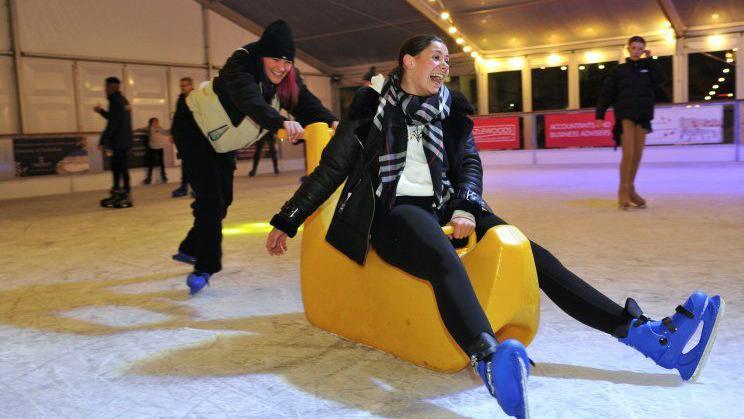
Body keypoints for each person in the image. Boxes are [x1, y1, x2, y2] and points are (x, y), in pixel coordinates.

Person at [266, 35, 724, 419]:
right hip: (390, 213)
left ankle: (650, 338)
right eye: (436, 57)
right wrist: (288, 220)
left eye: (449, 60)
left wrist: (467, 207)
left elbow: (468, 166)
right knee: (442, 258)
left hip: (447, 205)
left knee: (530, 252)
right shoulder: (369, 109)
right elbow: (331, 168)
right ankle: (488, 358)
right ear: (408, 61)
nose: (445, 65)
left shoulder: (451, 112)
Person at [172, 20, 337, 295]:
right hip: (192, 128)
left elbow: (306, 104)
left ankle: (190, 246)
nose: (281, 67)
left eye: (287, 61)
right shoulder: (239, 65)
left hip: (221, 138)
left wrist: (333, 122)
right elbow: (249, 100)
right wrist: (280, 122)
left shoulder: (288, 77)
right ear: (262, 55)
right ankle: (205, 266)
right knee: (211, 201)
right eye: (275, 59)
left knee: (223, 199)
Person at [596, 36, 665, 209]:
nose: (636, 51)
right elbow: (607, 92)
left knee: (637, 155)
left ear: (644, 51)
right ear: (628, 49)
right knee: (628, 154)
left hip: (643, 116)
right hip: (625, 115)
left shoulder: (648, 69)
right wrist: (600, 113)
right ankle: (623, 190)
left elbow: (661, 81)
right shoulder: (619, 70)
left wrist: (651, 62)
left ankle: (632, 189)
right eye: (633, 48)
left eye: (640, 49)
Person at [95, 76, 134, 208]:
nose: (105, 89)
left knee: (120, 167)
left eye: (106, 86)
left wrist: (103, 139)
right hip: (123, 139)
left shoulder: (116, 101)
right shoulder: (121, 100)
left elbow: (113, 123)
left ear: (113, 87)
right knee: (118, 167)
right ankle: (118, 192)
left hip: (120, 140)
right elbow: (113, 117)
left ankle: (125, 195)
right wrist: (101, 111)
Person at [171, 77, 195, 198]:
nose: (183, 88)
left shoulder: (196, 99)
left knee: (196, 163)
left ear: (191, 86)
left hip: (195, 137)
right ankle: (184, 186)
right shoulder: (180, 99)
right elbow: (177, 117)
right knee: (185, 163)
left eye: (185, 85)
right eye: (181, 86)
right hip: (183, 137)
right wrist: (172, 132)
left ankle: (197, 187)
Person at [143, 117, 168, 184]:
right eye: (154, 122)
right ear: (151, 123)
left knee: (161, 163)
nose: (156, 123)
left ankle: (164, 177)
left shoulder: (160, 128)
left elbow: (166, 132)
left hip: (160, 148)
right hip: (152, 148)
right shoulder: (149, 128)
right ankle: (149, 178)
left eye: (157, 122)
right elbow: (142, 129)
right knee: (151, 163)